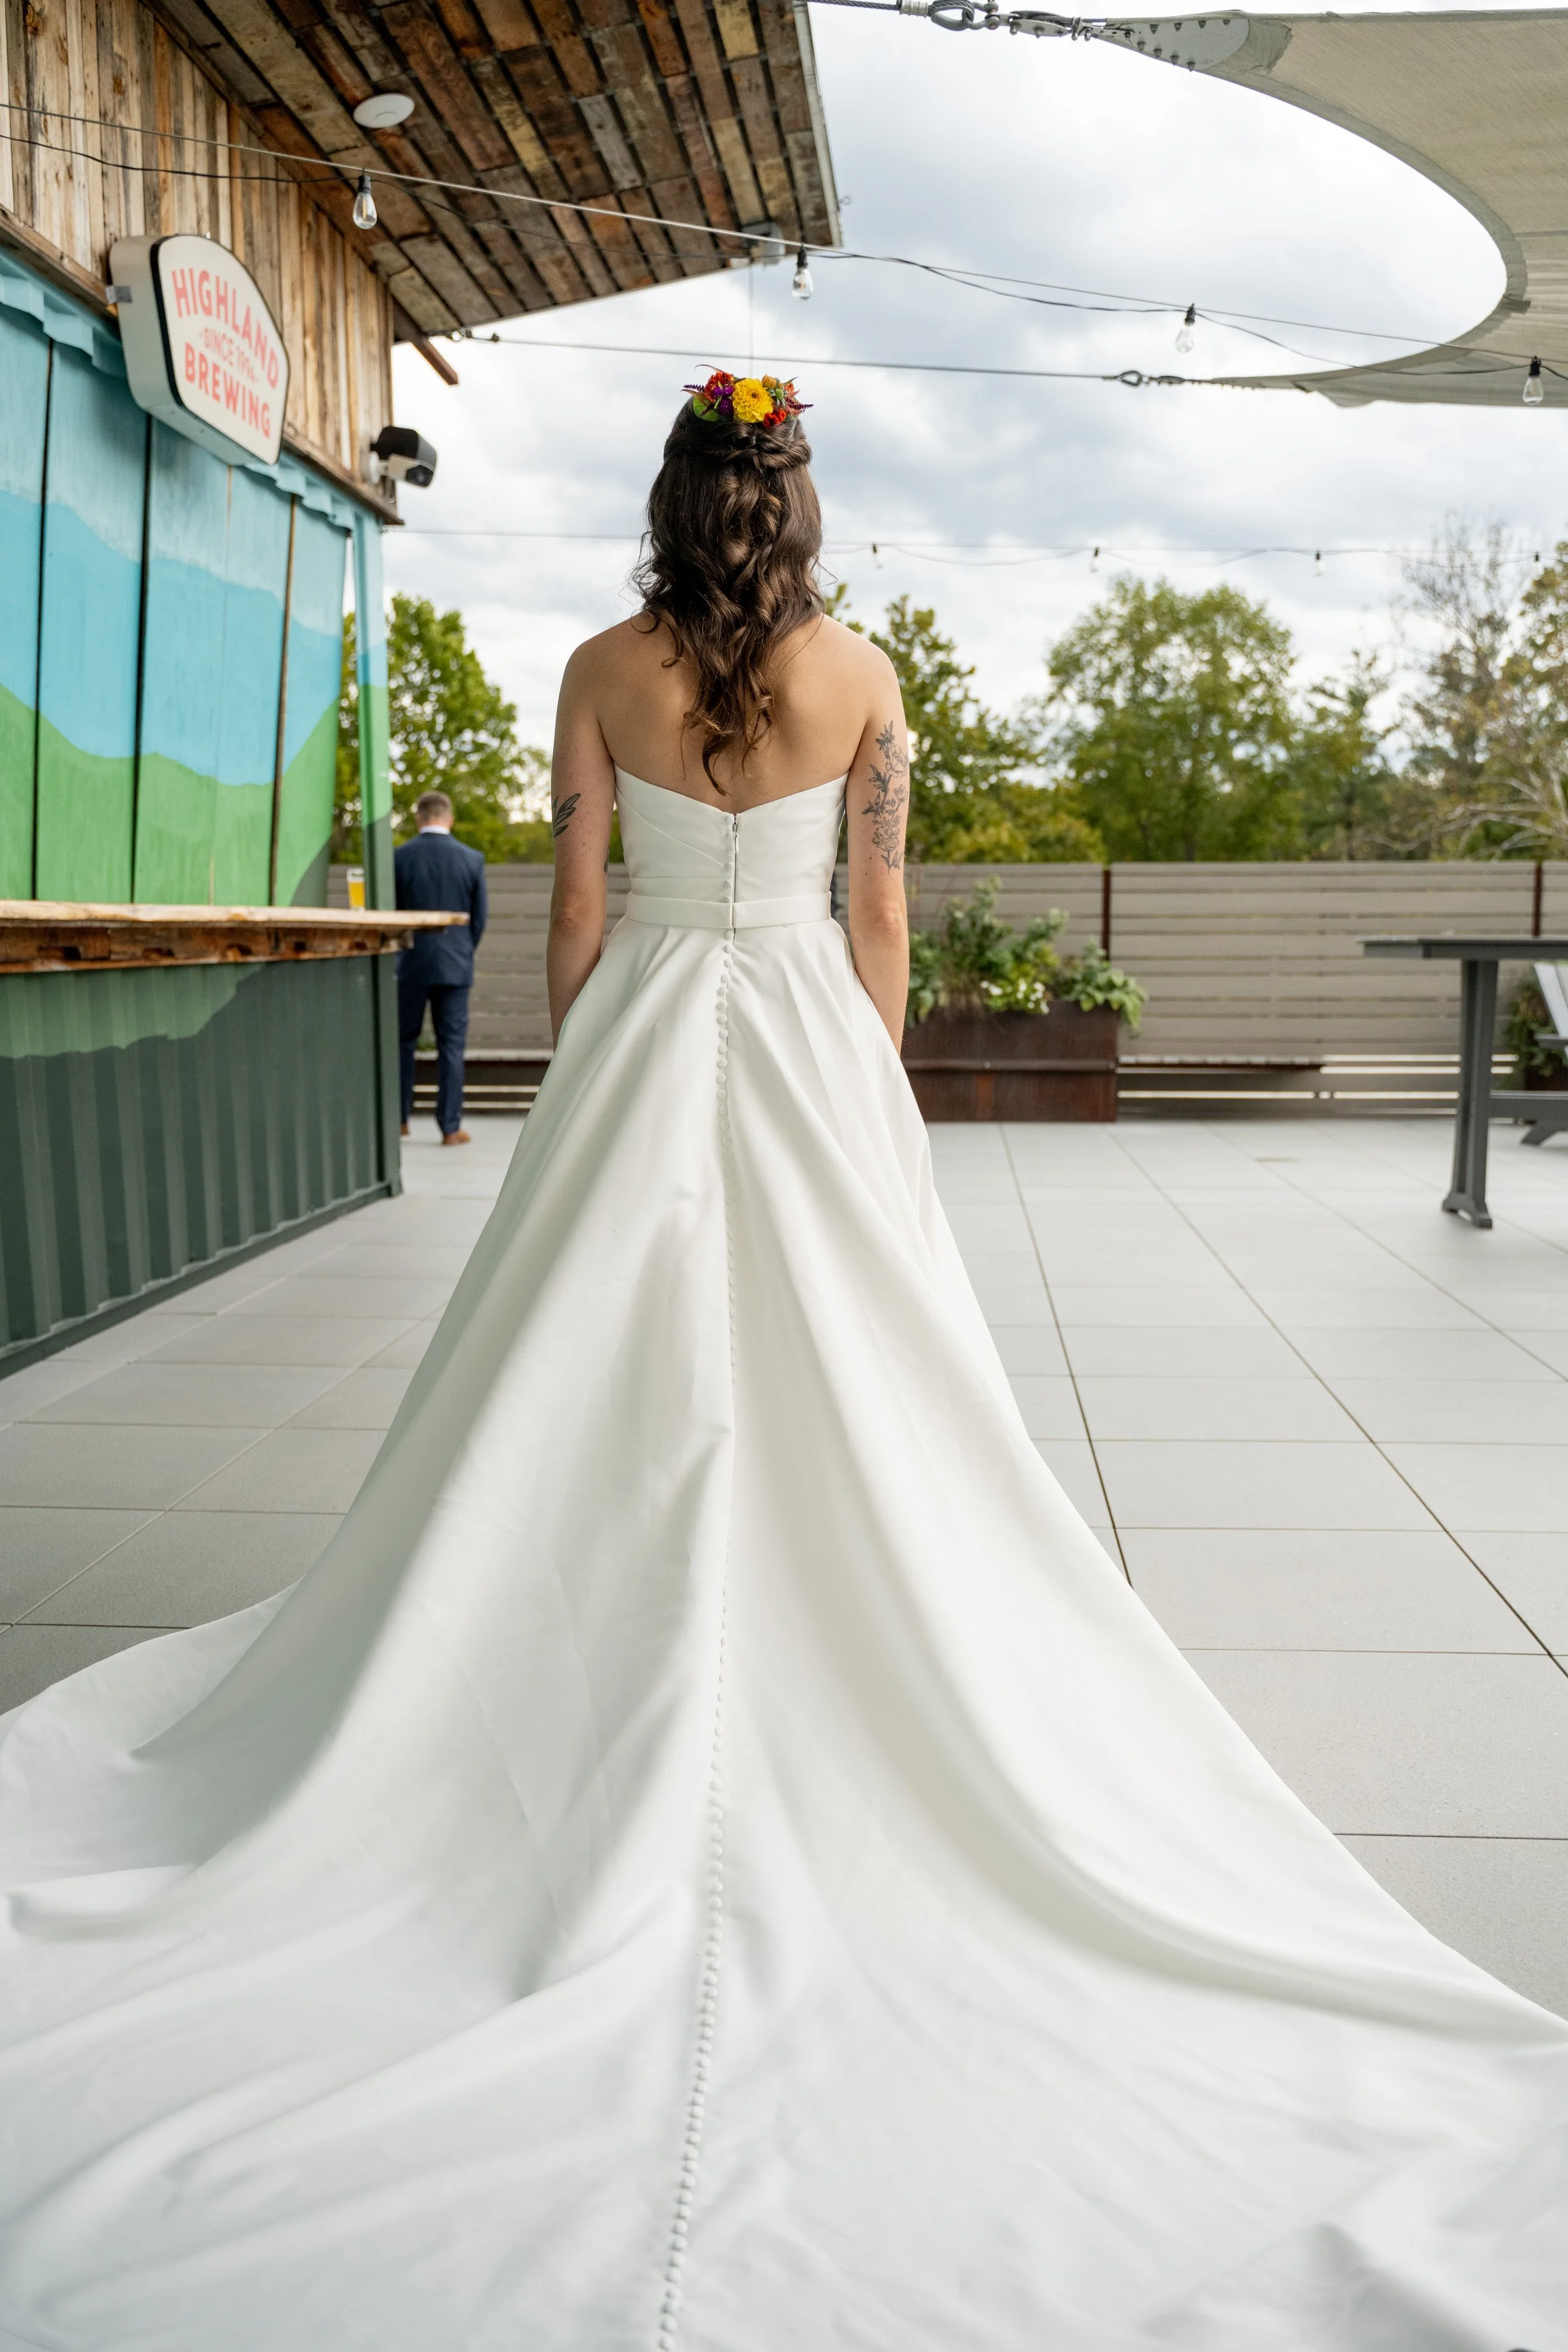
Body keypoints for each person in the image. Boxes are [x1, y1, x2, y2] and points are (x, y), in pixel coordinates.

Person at [0, 371, 1564, 2352]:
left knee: (579, 1368)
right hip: (808, 1036)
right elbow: (877, 910)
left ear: (670, 497)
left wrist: (594, 1070)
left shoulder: (590, 664)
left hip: (650, 1024)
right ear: (796, 506)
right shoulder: (868, 678)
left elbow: (576, 909)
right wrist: (858, 1087)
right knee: (865, 1378)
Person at [393, 787, 487, 1145]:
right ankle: (450, 1128)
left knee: (404, 1041)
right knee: (451, 1045)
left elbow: (392, 914)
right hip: (455, 965)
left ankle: (400, 1120)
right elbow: (480, 919)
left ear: (419, 818)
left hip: (411, 965)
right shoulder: (472, 859)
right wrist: (462, 950)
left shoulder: (399, 858)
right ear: (450, 819)